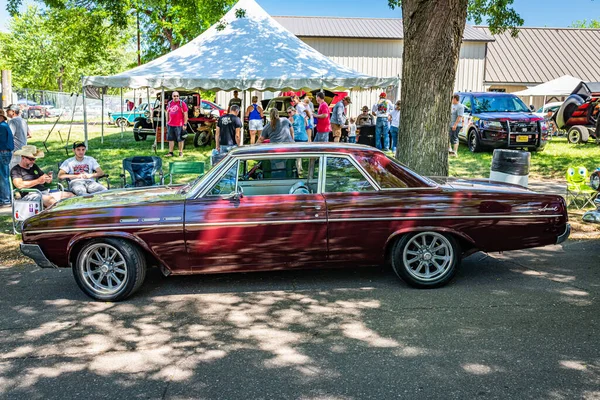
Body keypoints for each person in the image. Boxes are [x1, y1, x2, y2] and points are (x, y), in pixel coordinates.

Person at [5, 104, 29, 171]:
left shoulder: (12, 121)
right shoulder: (23, 120)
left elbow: (8, 136)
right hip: (23, 150)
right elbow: (29, 134)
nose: (6, 111)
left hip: (15, 152)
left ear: (13, 111)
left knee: (14, 173)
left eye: (8, 110)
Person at [165, 91, 188, 157]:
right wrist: (167, 122)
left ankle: (180, 152)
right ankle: (170, 153)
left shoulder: (182, 103)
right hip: (170, 124)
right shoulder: (169, 103)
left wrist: (185, 124)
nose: (176, 97)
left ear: (179, 96)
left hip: (179, 125)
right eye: (174, 96)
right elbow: (167, 113)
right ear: (172, 97)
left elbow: (185, 114)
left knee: (180, 139)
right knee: (170, 139)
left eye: (177, 96)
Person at [0, 109, 14, 207]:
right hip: (6, 153)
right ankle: (8, 197)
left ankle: (5, 200)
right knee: (5, 176)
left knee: (3, 177)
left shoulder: (1, 126)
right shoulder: (5, 125)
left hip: (3, 152)